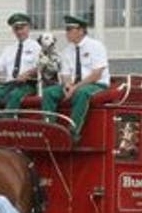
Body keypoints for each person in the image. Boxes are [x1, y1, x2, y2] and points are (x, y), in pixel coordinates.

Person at [40, 14, 108, 142]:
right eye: (66, 29)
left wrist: (75, 87)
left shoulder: (96, 46)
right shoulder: (67, 50)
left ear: (81, 31)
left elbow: (96, 74)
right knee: (48, 92)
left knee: (81, 93)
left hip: (97, 84)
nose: (67, 33)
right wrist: (67, 85)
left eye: (70, 30)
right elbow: (65, 74)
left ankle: (73, 132)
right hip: (74, 85)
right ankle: (49, 128)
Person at [0, 12, 41, 117]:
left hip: (28, 85)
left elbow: (40, 68)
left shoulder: (36, 47)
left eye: (22, 28)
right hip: (10, 84)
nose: (19, 32)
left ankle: (7, 123)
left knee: (14, 96)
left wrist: (27, 74)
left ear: (28, 28)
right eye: (16, 29)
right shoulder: (9, 49)